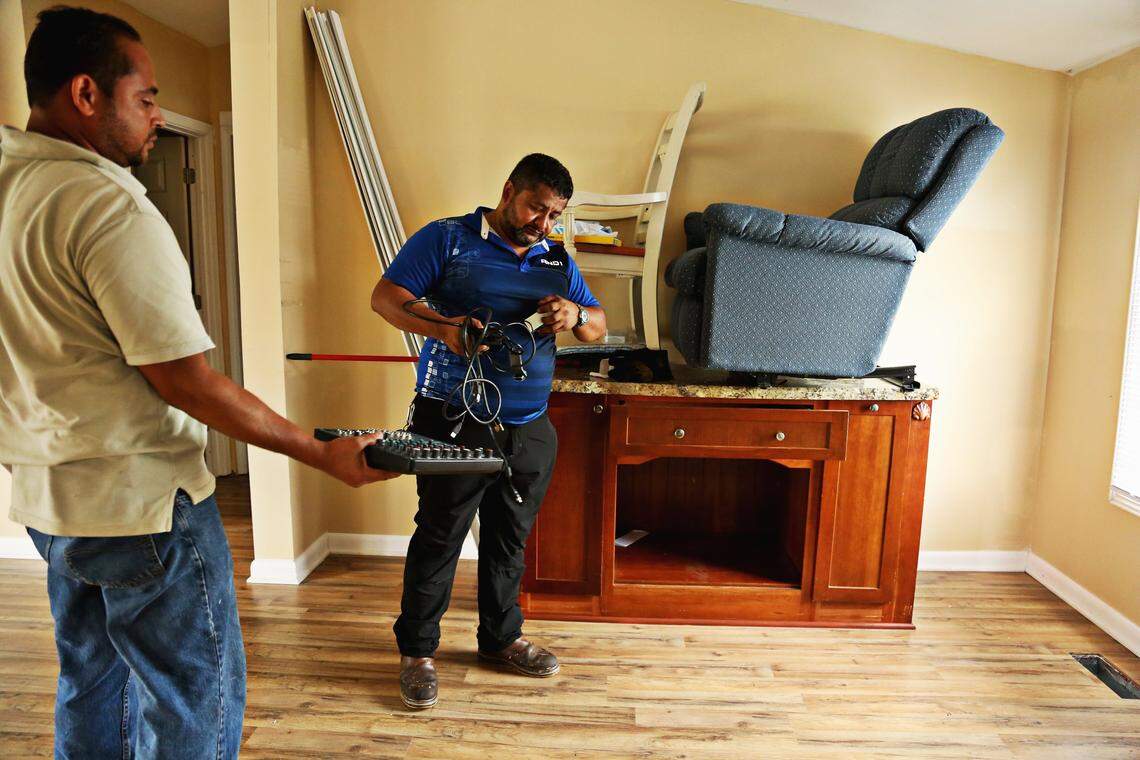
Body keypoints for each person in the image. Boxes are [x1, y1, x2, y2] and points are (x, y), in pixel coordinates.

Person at [0, 7, 397, 758]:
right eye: (145, 98)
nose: (154, 116)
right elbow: (185, 382)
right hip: (142, 509)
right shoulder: (106, 204)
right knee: (191, 702)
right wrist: (318, 451)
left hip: (50, 506)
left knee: (91, 684)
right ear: (86, 94)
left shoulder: (10, 185)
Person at [371, 153, 607, 709]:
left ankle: (501, 639)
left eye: (555, 215)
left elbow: (598, 327)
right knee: (441, 534)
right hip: (455, 417)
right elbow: (386, 298)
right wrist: (445, 328)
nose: (542, 224)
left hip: (529, 426)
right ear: (508, 190)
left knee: (509, 538)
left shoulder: (554, 255)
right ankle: (418, 652)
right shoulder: (447, 239)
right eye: (535, 208)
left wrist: (574, 316)